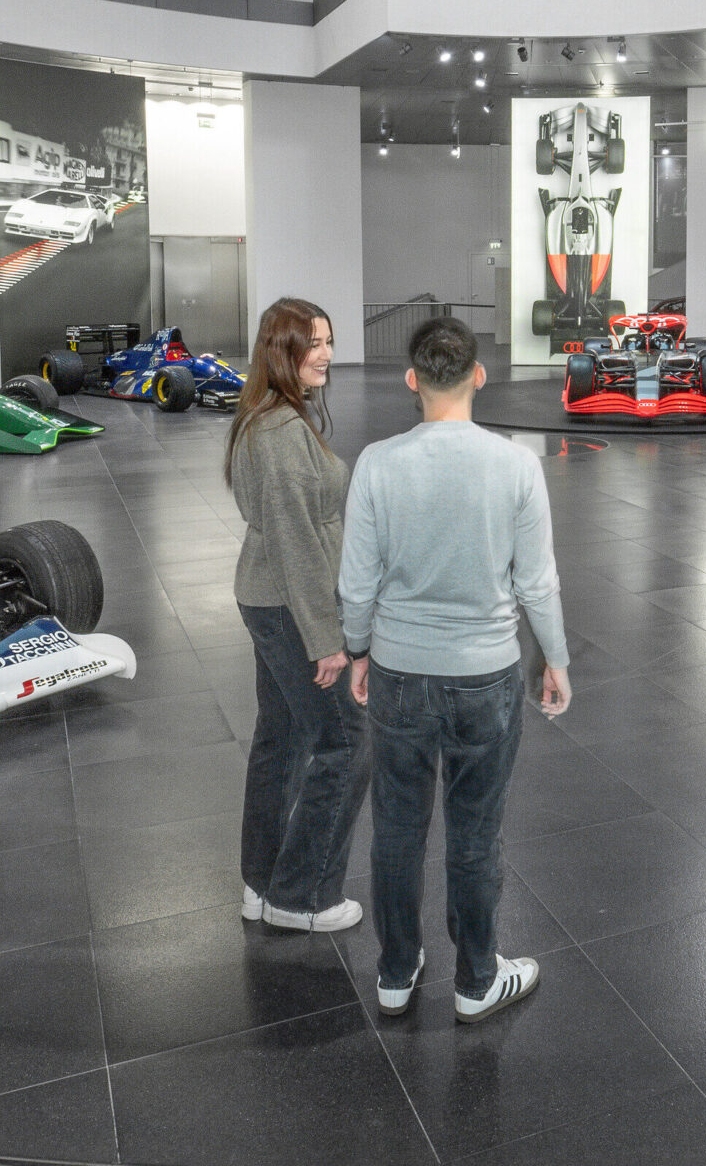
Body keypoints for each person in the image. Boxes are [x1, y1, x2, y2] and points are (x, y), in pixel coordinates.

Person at [341, 317, 571, 1023]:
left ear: (412, 380)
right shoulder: (516, 465)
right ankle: (476, 982)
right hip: (487, 677)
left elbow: (357, 582)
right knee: (475, 834)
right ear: (478, 375)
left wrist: (358, 650)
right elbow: (537, 583)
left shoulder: (377, 462)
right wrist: (555, 659)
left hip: (398, 672)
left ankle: (395, 973)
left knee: (396, 829)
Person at [228, 298, 369, 933]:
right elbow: (295, 540)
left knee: (281, 740)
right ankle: (302, 896)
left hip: (269, 596)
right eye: (313, 344)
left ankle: (262, 885)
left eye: (329, 342)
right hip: (290, 607)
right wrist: (326, 639)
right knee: (347, 743)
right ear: (280, 350)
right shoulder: (281, 431)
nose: (327, 355)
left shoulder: (267, 415)